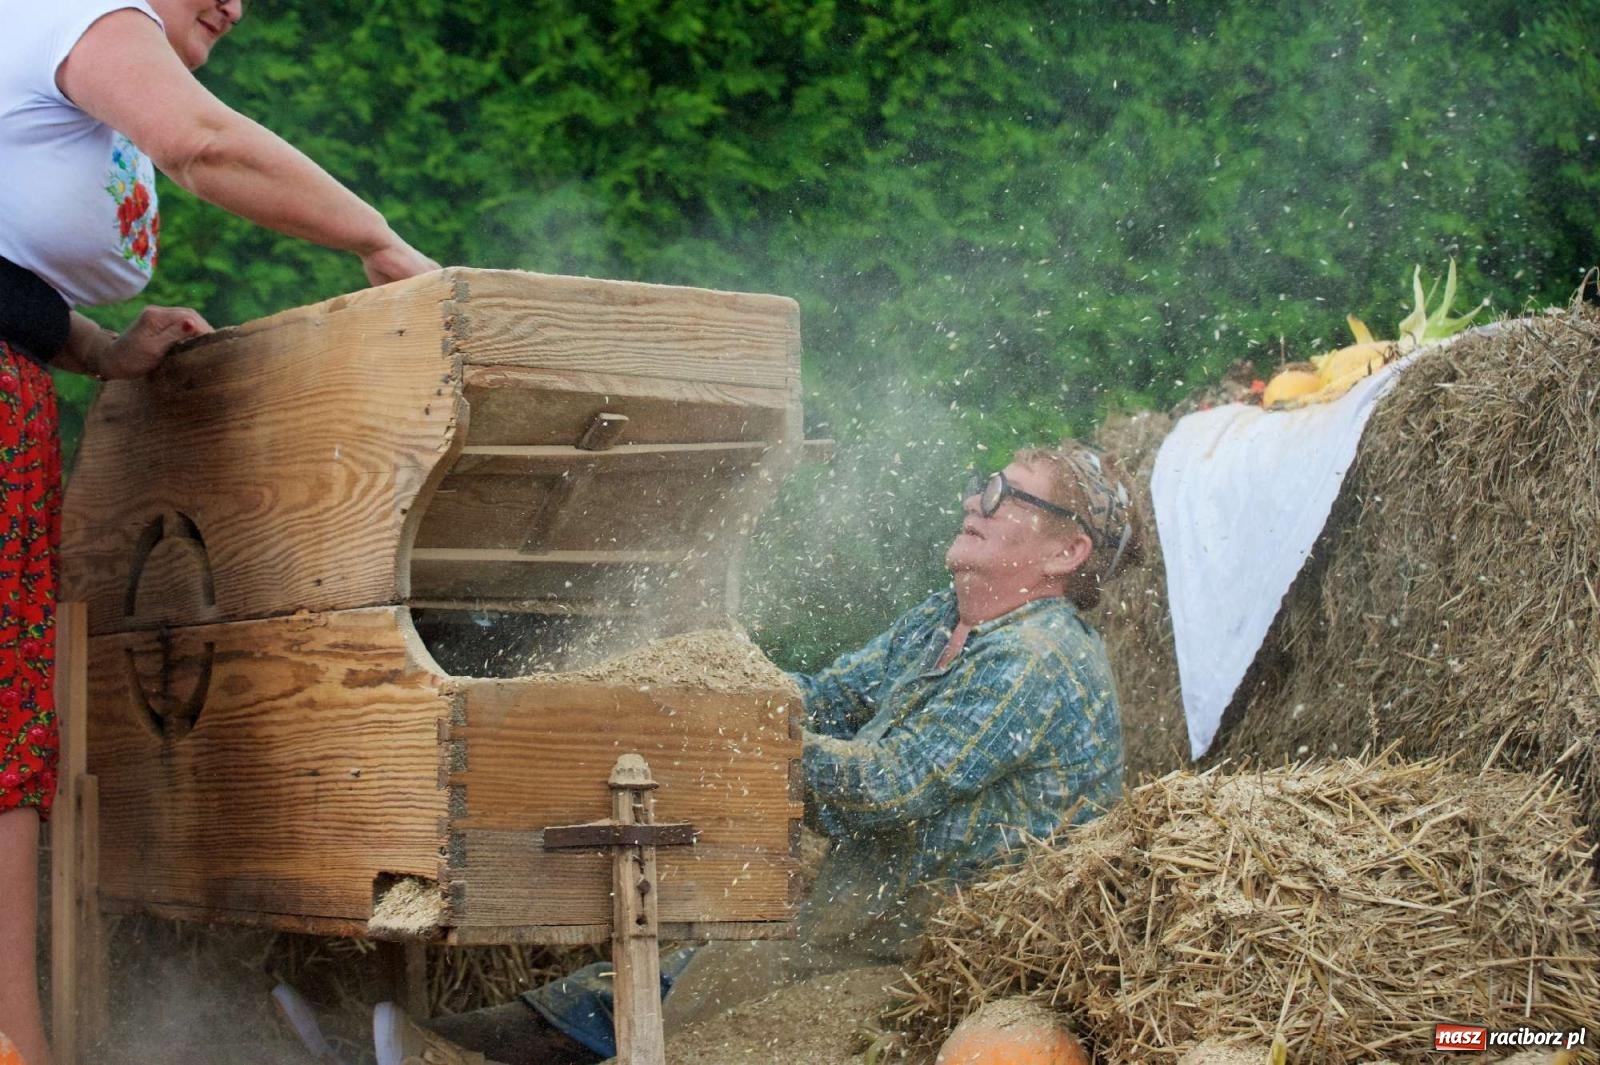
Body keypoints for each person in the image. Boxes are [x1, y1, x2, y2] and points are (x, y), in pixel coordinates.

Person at [373, 443, 1143, 1065]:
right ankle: (445, 1042)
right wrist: (707, 684)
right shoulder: (945, 618)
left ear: (1066, 549)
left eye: (1007, 495)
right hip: (859, 916)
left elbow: (883, 786)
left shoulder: (1037, 656)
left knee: (711, 980)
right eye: (983, 484)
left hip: (931, 953)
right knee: (678, 954)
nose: (976, 501)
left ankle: (455, 1052)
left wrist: (737, 734)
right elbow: (826, 695)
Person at [0, 3, 437, 1061]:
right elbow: (203, 143)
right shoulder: (75, 10)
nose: (236, 5)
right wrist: (376, 239)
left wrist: (96, 349)